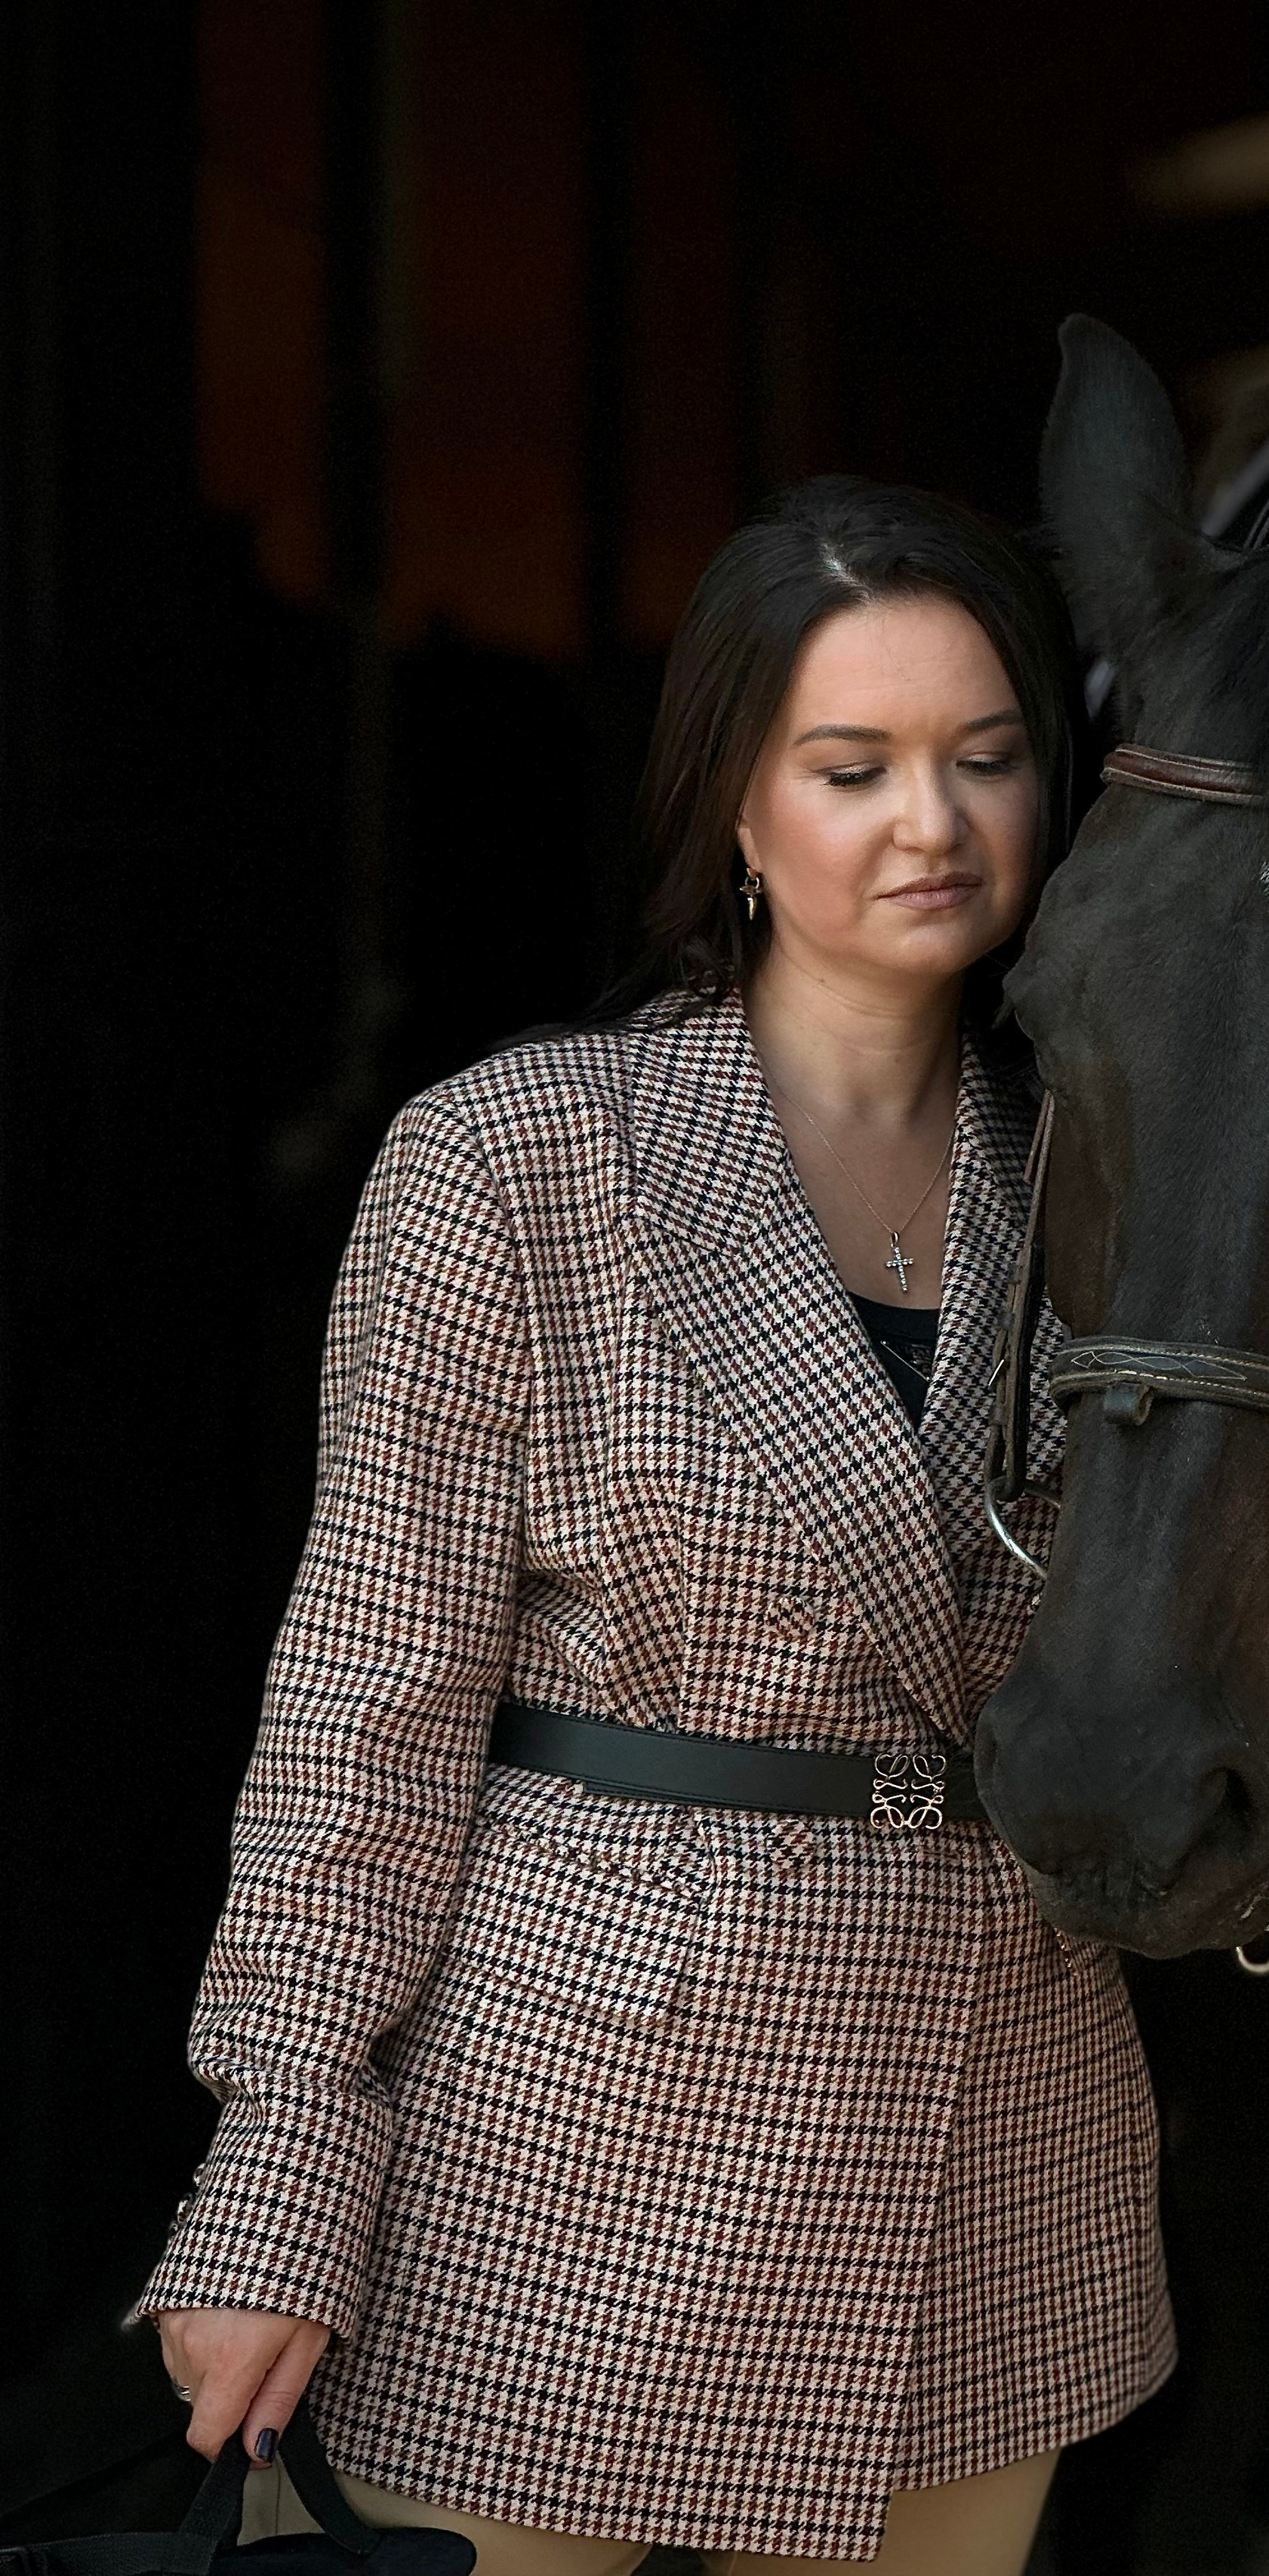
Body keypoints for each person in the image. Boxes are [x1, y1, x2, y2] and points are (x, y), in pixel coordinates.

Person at [138, 478, 1173, 2576]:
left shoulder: (1120, 1177)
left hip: (990, 2133)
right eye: (853, 767)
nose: (931, 824)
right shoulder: (514, 1160)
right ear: (731, 803)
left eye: (986, 763)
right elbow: (368, 1699)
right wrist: (278, 2154)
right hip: (568, 2137)